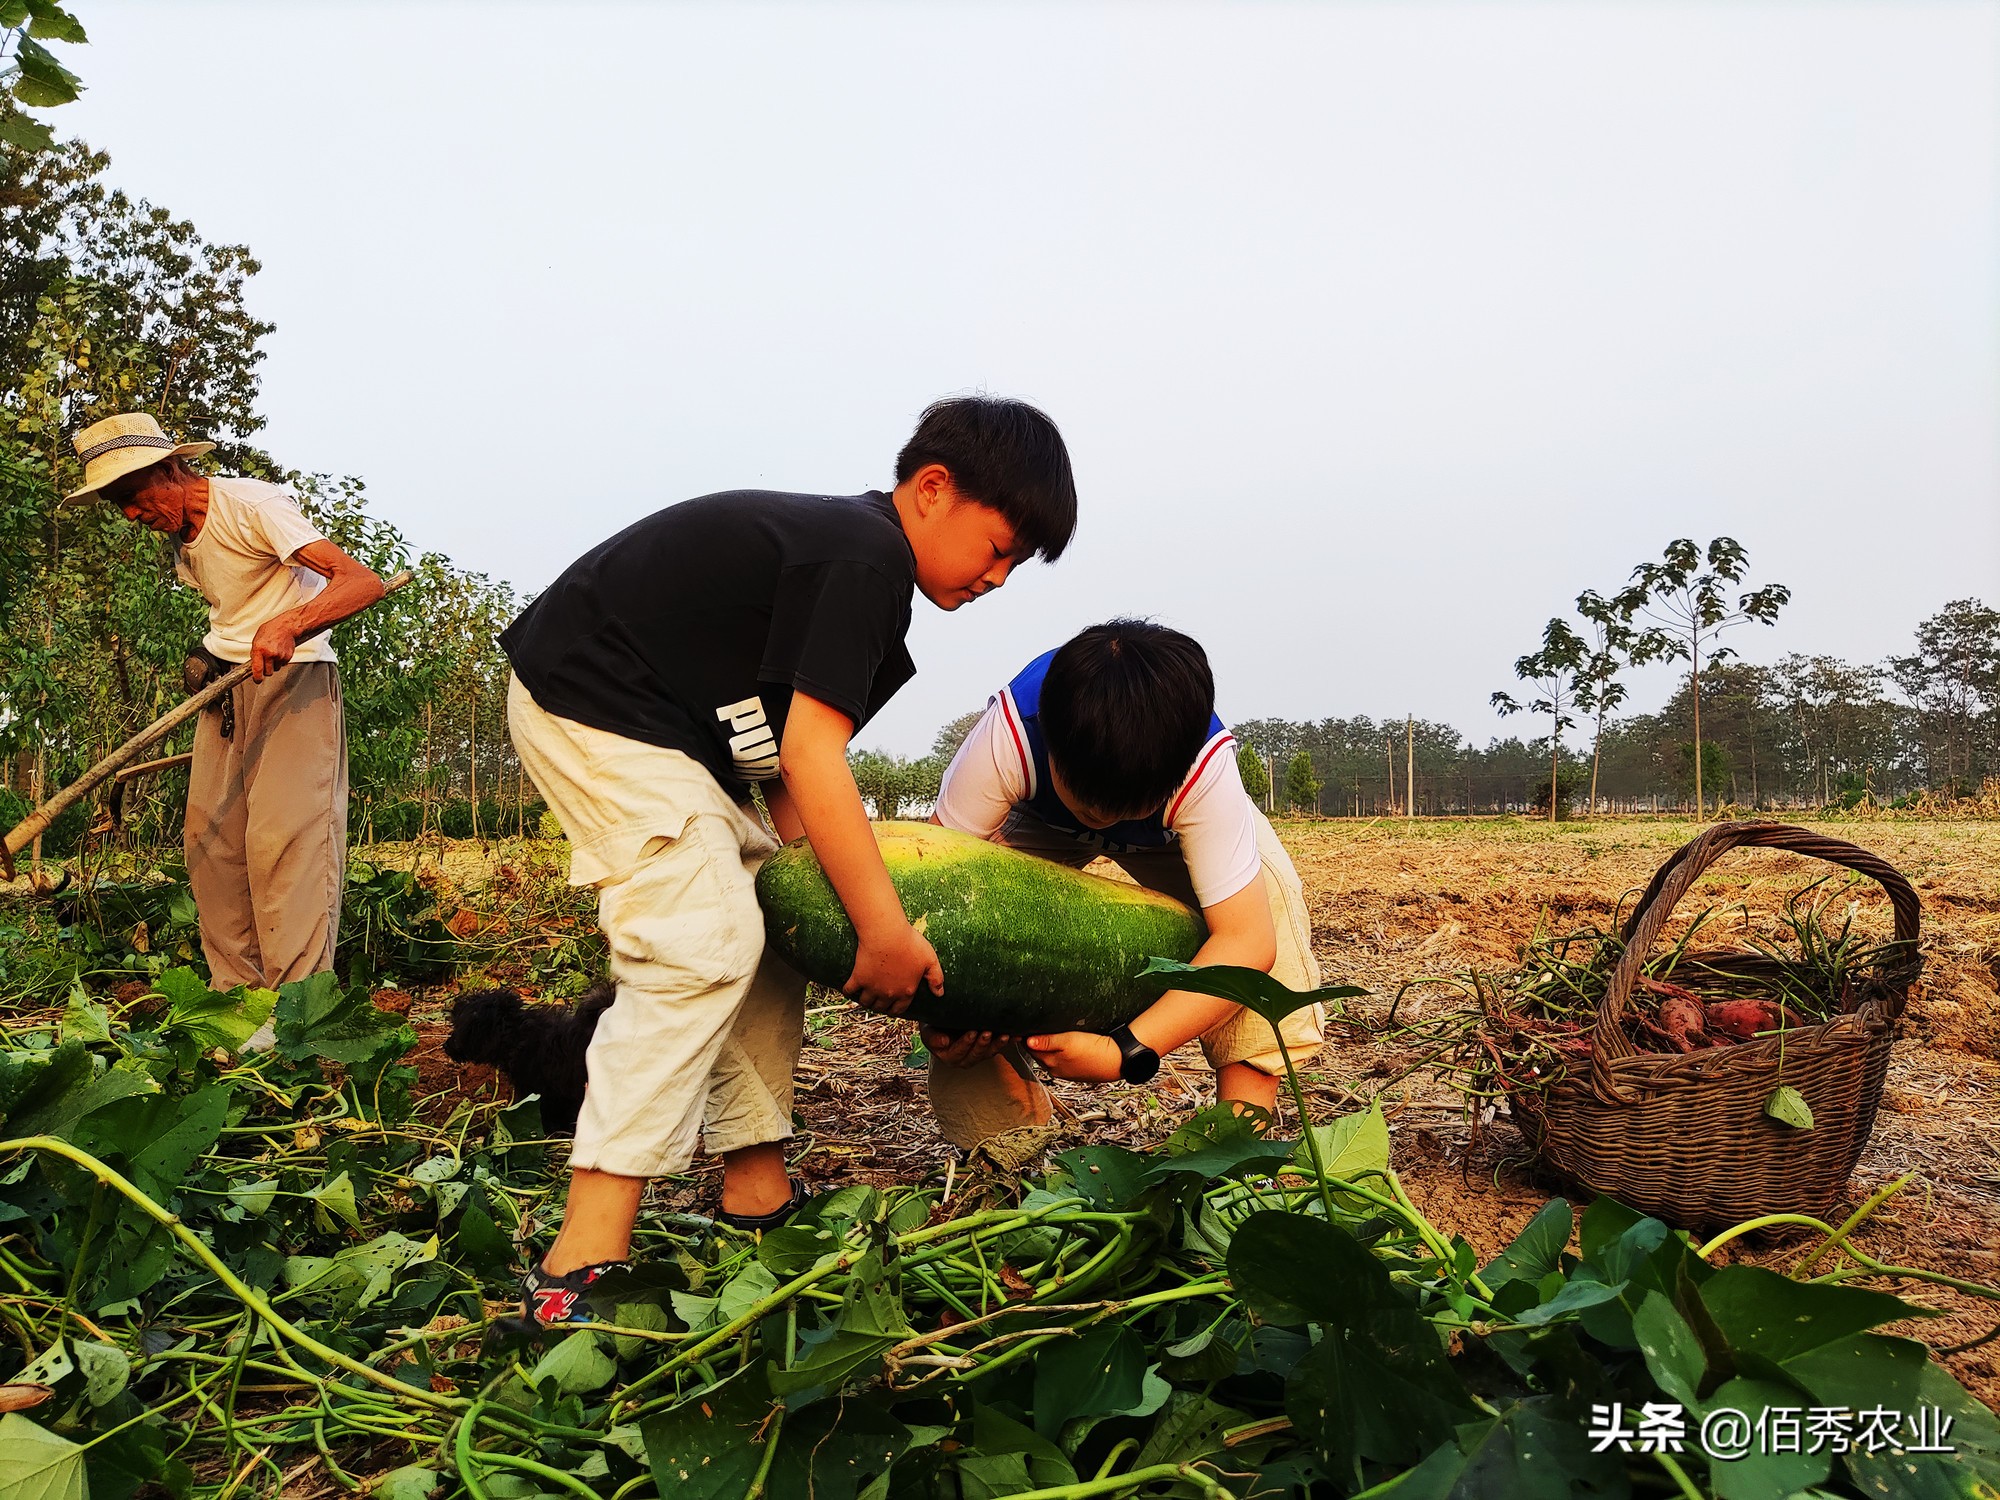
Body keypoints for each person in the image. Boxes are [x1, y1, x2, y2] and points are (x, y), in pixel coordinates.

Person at [499, 396, 1077, 1326]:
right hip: (595, 698)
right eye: (1000, 546)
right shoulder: (865, 558)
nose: (999, 578)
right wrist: (884, 934)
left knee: (764, 922)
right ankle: (583, 1259)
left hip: (680, 741)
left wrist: (825, 906)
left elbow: (779, 767)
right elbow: (817, 755)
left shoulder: (868, 603)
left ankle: (755, 1193)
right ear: (933, 490)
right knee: (700, 942)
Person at [922, 620, 1323, 1150]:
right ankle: (1009, 1148)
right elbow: (934, 890)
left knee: (1270, 898)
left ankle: (1234, 1153)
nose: (1104, 819)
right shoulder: (1011, 734)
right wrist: (938, 1017)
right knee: (961, 930)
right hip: (1043, 821)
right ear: (1054, 747)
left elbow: (1246, 942)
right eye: (1090, 801)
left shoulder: (1205, 765)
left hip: (1167, 835)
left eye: (1124, 806)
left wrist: (1129, 1051)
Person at [65, 412, 384, 994]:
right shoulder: (180, 540)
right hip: (228, 688)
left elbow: (360, 581)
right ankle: (236, 1000)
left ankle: (298, 1009)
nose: (133, 515)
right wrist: (206, 655)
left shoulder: (253, 507)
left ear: (169, 468)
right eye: (119, 506)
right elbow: (236, 612)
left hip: (295, 681)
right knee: (209, 843)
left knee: (286, 840)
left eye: (133, 497)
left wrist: (291, 623)